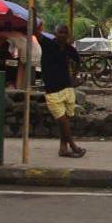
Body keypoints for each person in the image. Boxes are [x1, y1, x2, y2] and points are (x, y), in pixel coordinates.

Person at [38, 24, 85, 158]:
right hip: (52, 90)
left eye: (65, 33)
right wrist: (33, 14)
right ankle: (73, 146)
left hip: (67, 88)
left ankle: (63, 148)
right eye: (60, 32)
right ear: (55, 32)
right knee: (63, 121)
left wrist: (74, 78)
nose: (63, 35)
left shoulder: (69, 49)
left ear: (68, 35)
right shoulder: (47, 44)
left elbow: (78, 61)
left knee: (65, 121)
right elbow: (36, 33)